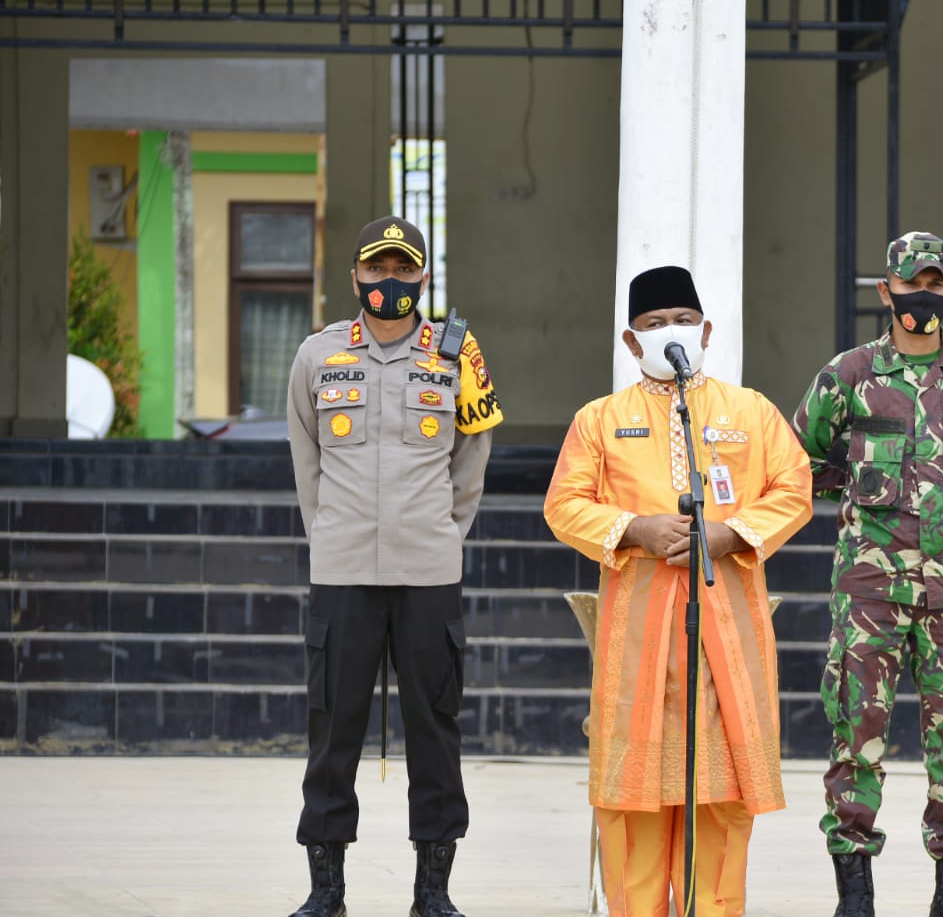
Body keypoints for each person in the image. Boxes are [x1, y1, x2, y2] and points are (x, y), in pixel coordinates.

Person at [543, 265, 814, 917]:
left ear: (708, 331)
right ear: (633, 344)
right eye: (656, 324)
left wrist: (730, 533)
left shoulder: (750, 412)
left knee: (720, 805)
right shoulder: (599, 421)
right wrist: (634, 527)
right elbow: (563, 503)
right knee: (633, 811)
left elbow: (795, 487)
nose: (673, 333)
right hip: (637, 648)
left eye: (683, 321)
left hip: (727, 641)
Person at [791, 232, 943, 917]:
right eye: (909, 285)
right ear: (886, 291)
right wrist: (858, 493)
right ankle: (854, 892)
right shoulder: (850, 374)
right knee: (855, 732)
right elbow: (797, 454)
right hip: (869, 586)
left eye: (932, 285)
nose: (920, 297)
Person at [284, 215, 503, 917]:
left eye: (403, 271)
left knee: (435, 728)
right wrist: (330, 536)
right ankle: (327, 889)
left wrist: (442, 530)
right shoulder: (317, 355)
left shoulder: (458, 354)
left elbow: (471, 461)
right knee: (333, 726)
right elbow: (306, 461)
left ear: (424, 278)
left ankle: (432, 891)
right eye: (377, 270)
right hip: (343, 569)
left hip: (428, 572)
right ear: (355, 277)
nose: (389, 283)